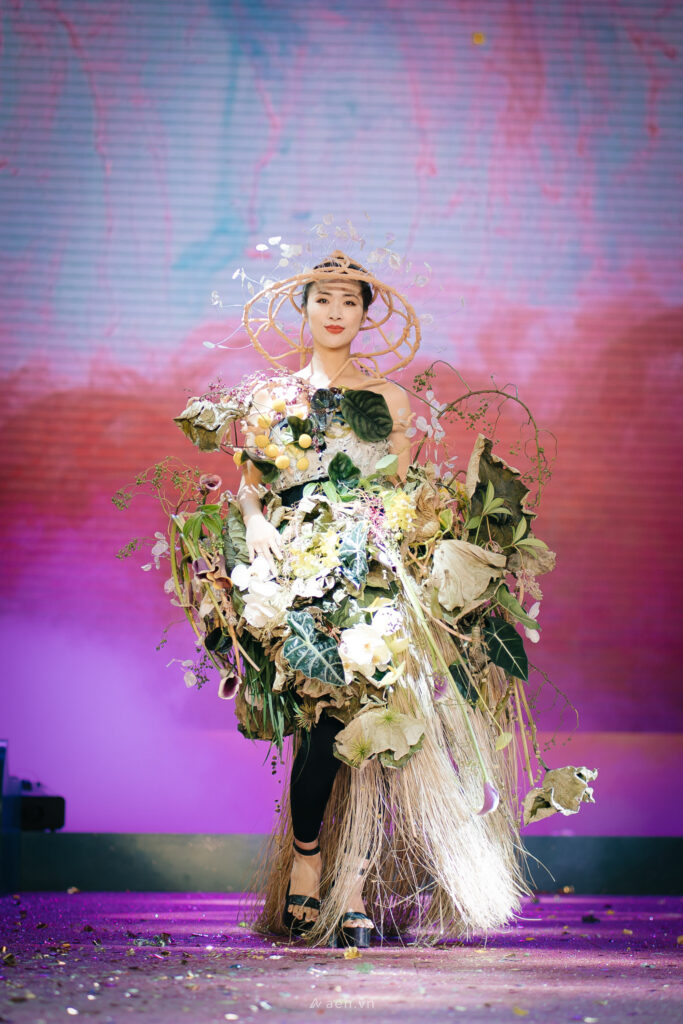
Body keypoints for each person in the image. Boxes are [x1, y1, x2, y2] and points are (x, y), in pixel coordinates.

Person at [225, 253, 529, 948]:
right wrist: (257, 521)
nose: (335, 312)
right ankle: (307, 862)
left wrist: (403, 543)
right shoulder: (273, 398)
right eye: (323, 299)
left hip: (373, 574)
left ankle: (355, 886)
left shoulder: (388, 400)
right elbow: (251, 483)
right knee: (318, 730)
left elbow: (399, 489)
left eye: (349, 302)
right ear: (303, 308)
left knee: (377, 734)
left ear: (366, 316)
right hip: (298, 573)